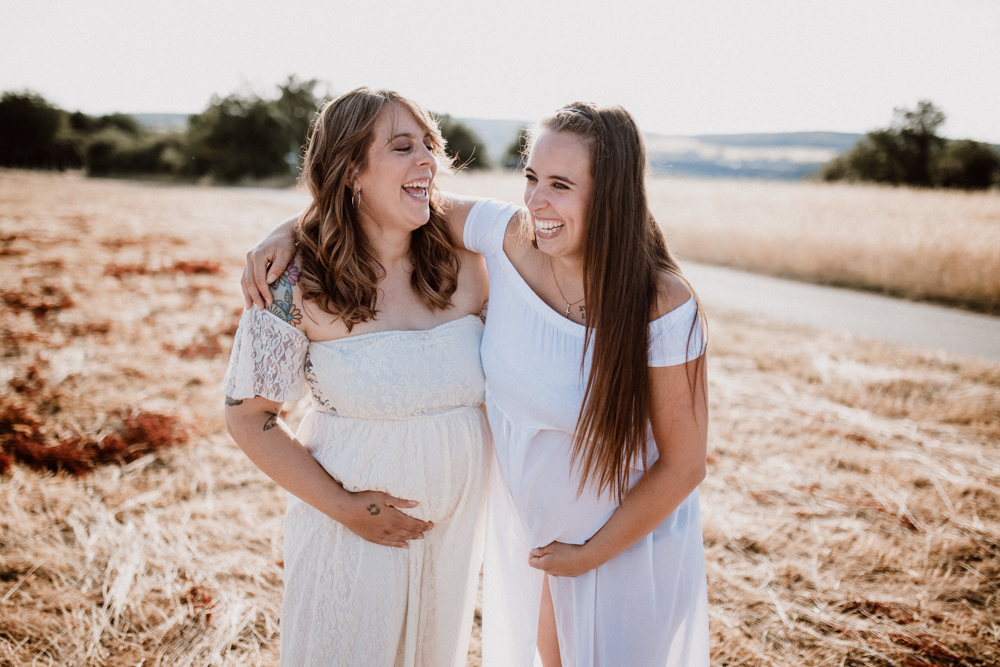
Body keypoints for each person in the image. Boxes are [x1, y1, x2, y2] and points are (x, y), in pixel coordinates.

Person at [244, 103, 710, 666]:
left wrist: (590, 555)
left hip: (625, 541)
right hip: (533, 540)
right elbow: (388, 206)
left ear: (611, 195)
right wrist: (291, 231)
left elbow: (684, 464)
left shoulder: (658, 301)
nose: (536, 202)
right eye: (531, 178)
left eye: (560, 184)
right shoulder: (509, 239)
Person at [224, 88, 491, 667]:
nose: (427, 160)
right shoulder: (291, 281)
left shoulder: (470, 268)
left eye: (430, 145)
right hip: (351, 539)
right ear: (351, 170)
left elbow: (529, 225)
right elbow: (249, 417)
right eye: (402, 147)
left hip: (453, 541)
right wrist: (348, 508)